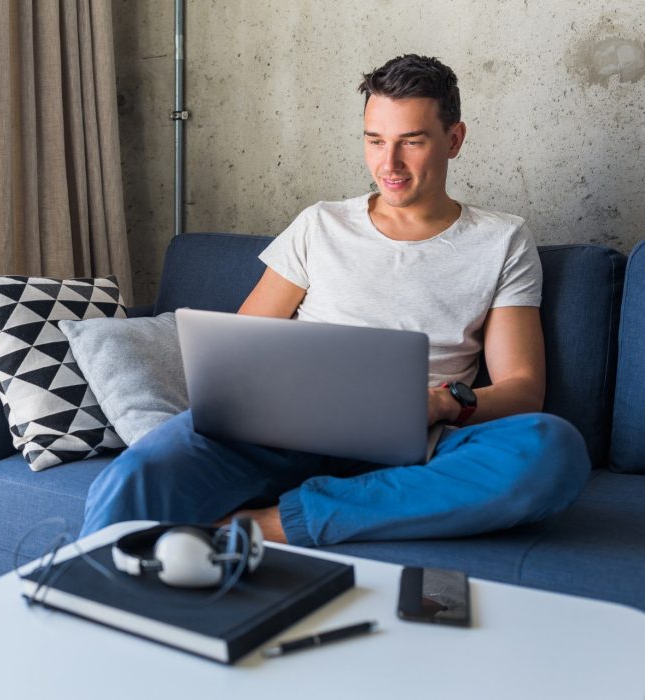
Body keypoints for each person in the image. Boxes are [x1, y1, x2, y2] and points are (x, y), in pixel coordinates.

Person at [80, 54, 590, 544]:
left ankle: (274, 523)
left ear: (454, 139)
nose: (388, 164)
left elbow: (523, 390)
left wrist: (438, 404)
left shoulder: (503, 240)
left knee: (552, 451)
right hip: (284, 434)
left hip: (420, 445)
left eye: (411, 142)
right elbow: (240, 349)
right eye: (374, 141)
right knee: (140, 472)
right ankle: (79, 598)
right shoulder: (320, 223)